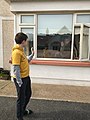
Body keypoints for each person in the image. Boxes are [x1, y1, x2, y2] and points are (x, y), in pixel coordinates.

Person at [11, 32, 34, 120]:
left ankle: (23, 110)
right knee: (21, 98)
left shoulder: (21, 51)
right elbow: (16, 69)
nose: (27, 42)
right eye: (26, 40)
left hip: (26, 77)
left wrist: (32, 54)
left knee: (28, 94)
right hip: (20, 79)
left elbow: (26, 60)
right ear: (23, 41)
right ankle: (19, 117)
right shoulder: (16, 52)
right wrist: (19, 82)